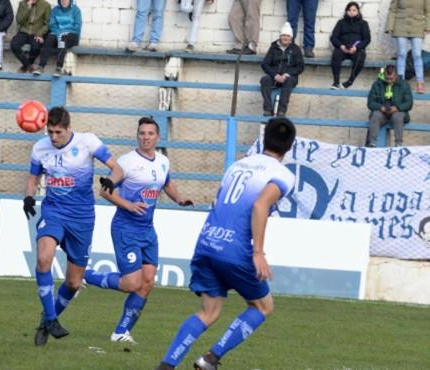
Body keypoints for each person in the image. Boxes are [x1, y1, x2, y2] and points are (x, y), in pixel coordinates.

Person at [155, 117, 296, 370]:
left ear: (264, 140)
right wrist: (258, 252)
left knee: (209, 311)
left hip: (208, 241)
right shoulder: (282, 174)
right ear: (289, 146)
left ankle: (167, 365)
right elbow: (260, 204)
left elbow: (218, 201)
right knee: (263, 306)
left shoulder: (238, 165)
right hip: (236, 248)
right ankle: (210, 358)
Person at [84, 117, 194, 344]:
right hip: (126, 228)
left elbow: (167, 184)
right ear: (137, 136)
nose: (146, 137)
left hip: (147, 230)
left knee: (148, 282)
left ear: (158, 137)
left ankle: (121, 331)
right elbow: (106, 191)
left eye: (150, 133)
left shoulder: (163, 161)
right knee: (131, 283)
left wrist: (180, 199)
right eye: (142, 133)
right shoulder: (126, 162)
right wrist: (128, 205)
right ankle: (84, 275)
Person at [23, 106, 123, 346]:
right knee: (44, 258)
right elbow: (32, 178)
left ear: (68, 129)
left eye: (58, 132)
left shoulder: (88, 142)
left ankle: (47, 320)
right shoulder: (40, 148)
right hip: (53, 211)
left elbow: (118, 167)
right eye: (50, 132)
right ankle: (50, 318)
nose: (54, 137)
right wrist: (28, 196)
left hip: (82, 218)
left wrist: (111, 180)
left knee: (73, 283)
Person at [260, 22, 304, 117]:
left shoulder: (296, 49)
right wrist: (275, 75)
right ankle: (268, 109)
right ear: (280, 36)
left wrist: (287, 74)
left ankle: (281, 111)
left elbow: (300, 66)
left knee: (288, 81)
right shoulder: (273, 48)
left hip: (289, 77)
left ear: (291, 38)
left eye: (288, 36)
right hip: (275, 77)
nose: (285, 38)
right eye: (283, 35)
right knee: (265, 80)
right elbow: (265, 64)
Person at [386, 0, 429, 93]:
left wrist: (428, 26)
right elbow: (393, 10)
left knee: (417, 54)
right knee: (402, 53)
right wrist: (390, 26)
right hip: (400, 25)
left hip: (417, 26)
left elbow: (428, 11)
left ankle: (420, 82)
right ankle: (400, 81)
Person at [366, 64, 413, 147]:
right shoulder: (377, 84)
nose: (389, 81)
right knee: (375, 115)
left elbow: (409, 103)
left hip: (397, 111)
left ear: (396, 75)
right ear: (384, 75)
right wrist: (381, 108)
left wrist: (397, 108)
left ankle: (398, 144)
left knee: (398, 117)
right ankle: (372, 143)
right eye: (387, 78)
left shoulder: (404, 84)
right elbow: (370, 102)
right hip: (382, 112)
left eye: (391, 78)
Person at [32, 0, 81, 76]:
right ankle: (41, 66)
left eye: (66, 0)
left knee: (63, 38)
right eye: (62, 0)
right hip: (58, 33)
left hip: (72, 35)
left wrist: (64, 32)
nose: (64, 1)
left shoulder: (76, 10)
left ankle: (59, 68)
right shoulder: (55, 10)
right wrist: (59, 33)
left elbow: (77, 27)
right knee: (49, 38)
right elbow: (52, 25)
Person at [329, 1, 371, 89]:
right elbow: (334, 37)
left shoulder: (363, 24)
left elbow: (367, 39)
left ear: (358, 11)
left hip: (356, 49)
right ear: (346, 11)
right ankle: (336, 82)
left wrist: (357, 47)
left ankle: (349, 81)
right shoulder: (341, 23)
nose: (351, 12)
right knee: (336, 54)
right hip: (343, 48)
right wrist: (341, 46)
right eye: (349, 10)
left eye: (354, 10)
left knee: (360, 58)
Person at [10, 0, 51, 73]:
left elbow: (48, 23)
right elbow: (19, 21)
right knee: (14, 44)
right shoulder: (22, 4)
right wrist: (27, 8)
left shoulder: (46, 5)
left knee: (36, 47)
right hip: (24, 31)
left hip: (37, 33)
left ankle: (26, 66)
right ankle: (28, 65)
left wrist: (40, 34)